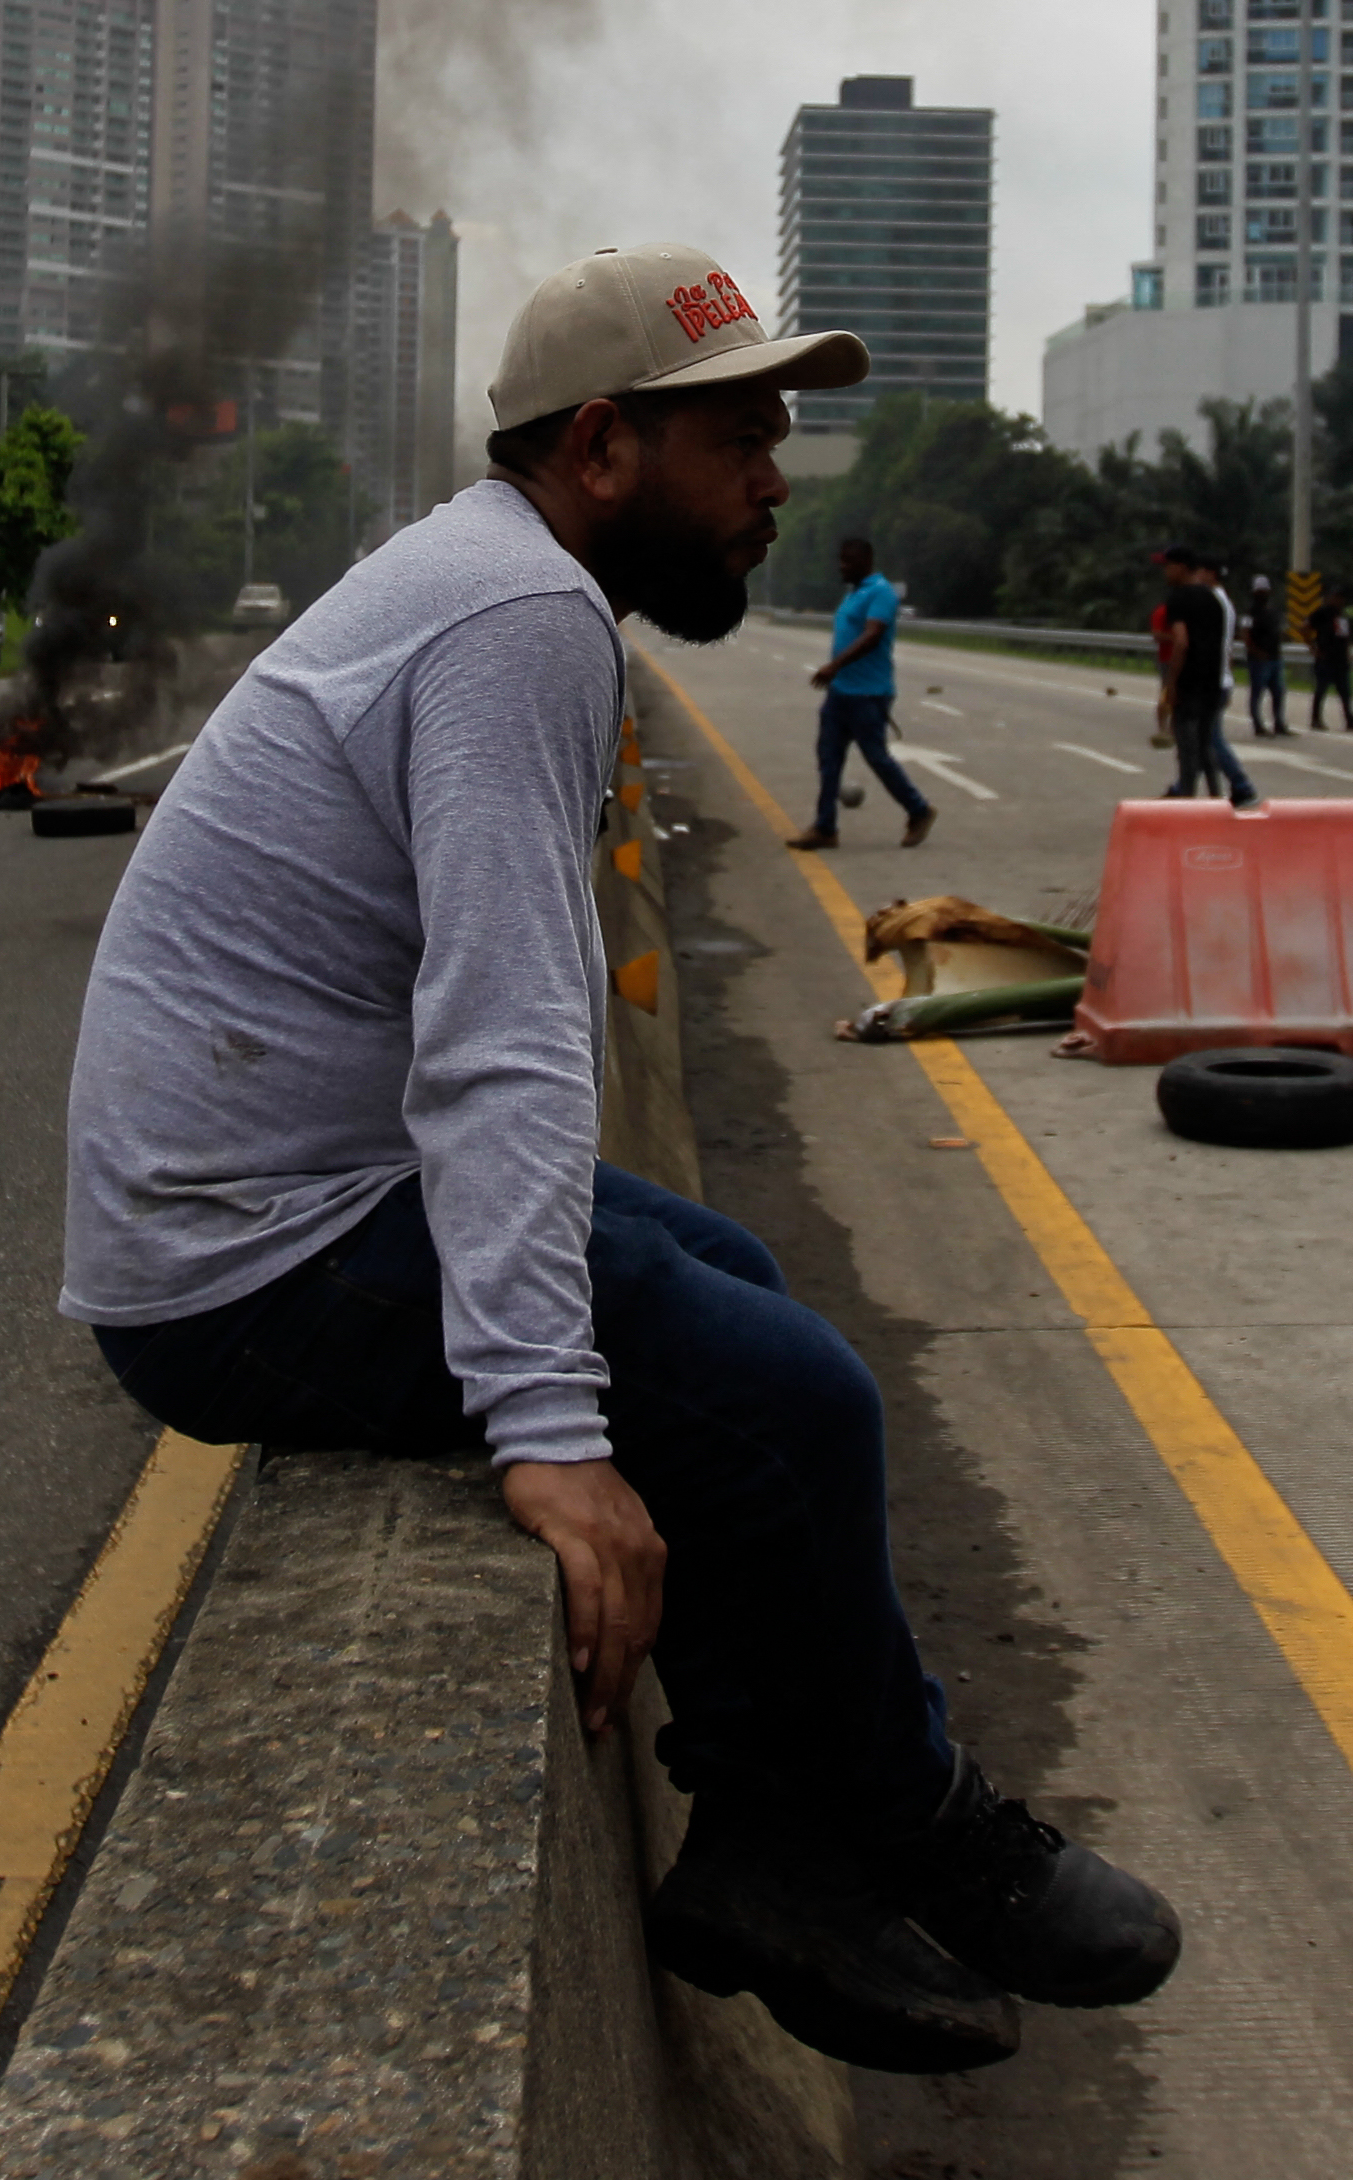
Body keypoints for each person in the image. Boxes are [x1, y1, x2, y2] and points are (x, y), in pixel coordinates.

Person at [65, 244, 1178, 2078]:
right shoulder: (515, 618)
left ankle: (759, 1834)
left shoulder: (500, 580)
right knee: (796, 1397)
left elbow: (506, 1038)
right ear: (599, 446)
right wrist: (548, 1431)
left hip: (305, 1194)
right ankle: (923, 1823)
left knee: (726, 1277)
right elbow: (499, 1036)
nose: (772, 481)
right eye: (742, 436)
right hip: (247, 1262)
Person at [792, 534, 934, 853]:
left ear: (865, 562)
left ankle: (919, 810)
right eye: (840, 560)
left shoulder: (881, 593)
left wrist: (834, 666)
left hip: (868, 694)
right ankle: (825, 827)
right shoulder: (853, 593)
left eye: (848, 561)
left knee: (877, 758)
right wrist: (837, 675)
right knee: (828, 758)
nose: (841, 567)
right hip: (841, 693)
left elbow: (872, 637)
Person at [1151, 545, 1261, 809]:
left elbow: (1181, 642)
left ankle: (1188, 803)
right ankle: (1215, 800)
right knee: (1205, 746)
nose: (1165, 572)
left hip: (1189, 683)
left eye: (1168, 566)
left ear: (1182, 567)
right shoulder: (1215, 600)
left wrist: (1171, 684)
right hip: (1212, 683)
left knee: (1187, 751)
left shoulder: (1178, 599)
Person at [1241, 574, 1289, 737]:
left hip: (1275, 657)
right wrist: (1255, 651)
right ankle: (1258, 724)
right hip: (1259, 659)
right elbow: (1245, 634)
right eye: (1260, 591)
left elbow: (1279, 630)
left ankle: (1279, 723)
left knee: (1278, 692)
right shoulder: (1249, 612)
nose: (1263, 594)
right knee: (1257, 693)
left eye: (1265, 590)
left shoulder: (1273, 611)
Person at [1306, 591, 1353, 730]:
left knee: (1345, 692)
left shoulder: (1342, 615)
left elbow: (1345, 636)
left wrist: (1348, 653)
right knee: (1321, 690)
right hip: (1326, 658)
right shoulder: (1322, 613)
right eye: (1336, 598)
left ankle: (1350, 719)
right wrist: (1313, 647)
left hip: (1340, 659)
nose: (1339, 601)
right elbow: (1304, 627)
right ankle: (1316, 719)